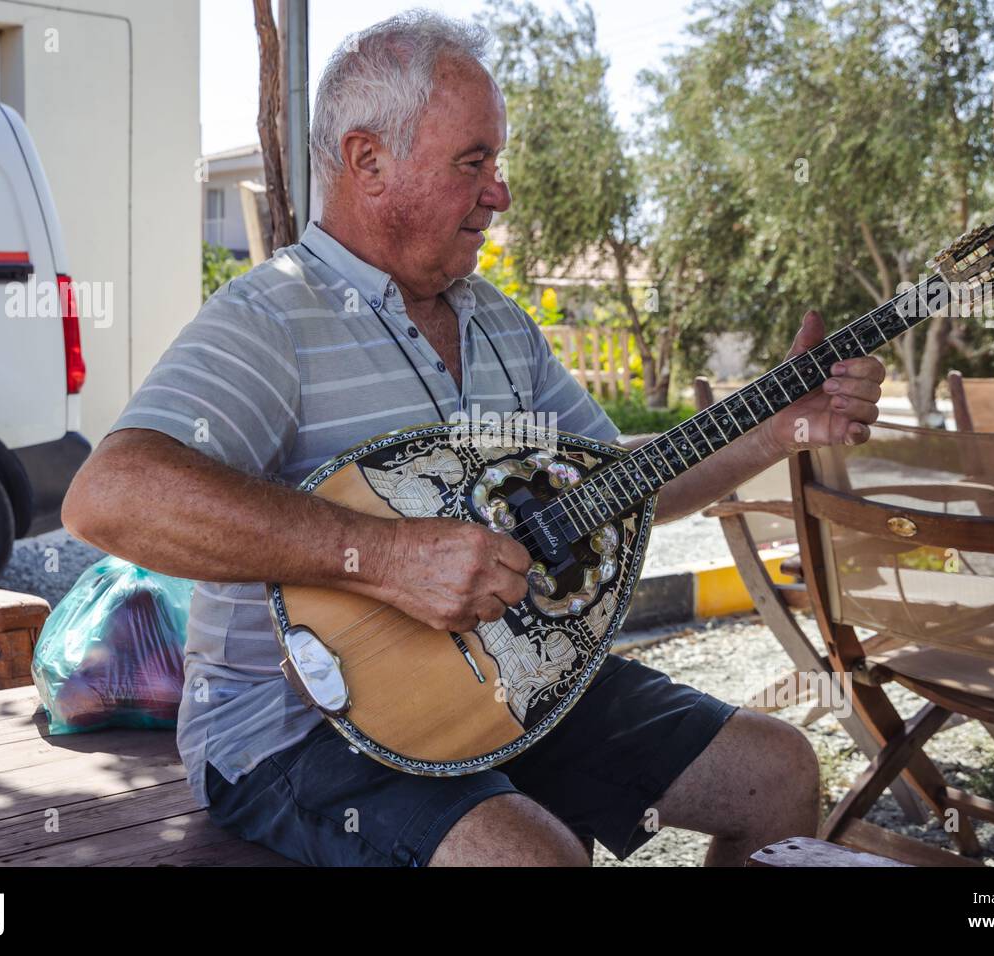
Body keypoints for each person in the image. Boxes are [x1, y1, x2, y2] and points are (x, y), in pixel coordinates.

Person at [62, 10, 885, 867]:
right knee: (533, 857)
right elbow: (110, 496)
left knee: (776, 770)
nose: (499, 192)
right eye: (474, 162)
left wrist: (775, 431)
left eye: (495, 162)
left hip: (508, 682)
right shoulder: (270, 316)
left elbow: (617, 482)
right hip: (296, 731)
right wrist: (381, 557)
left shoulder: (497, 324)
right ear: (368, 162)